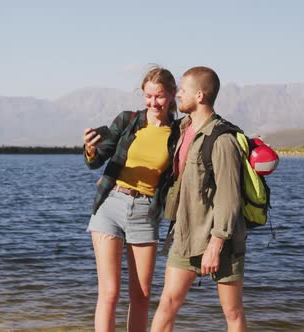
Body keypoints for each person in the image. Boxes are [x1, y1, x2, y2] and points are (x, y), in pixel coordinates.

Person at [82, 66, 180, 332]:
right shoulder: (128, 120)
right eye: (148, 96)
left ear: (172, 95)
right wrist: (91, 150)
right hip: (110, 205)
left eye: (159, 96)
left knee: (141, 294)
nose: (153, 102)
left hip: (145, 211)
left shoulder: (179, 133)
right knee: (109, 293)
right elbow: (97, 160)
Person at [151, 66, 247, 331]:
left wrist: (215, 246)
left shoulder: (222, 139)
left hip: (221, 241)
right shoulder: (183, 130)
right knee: (167, 304)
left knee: (232, 312)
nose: (178, 94)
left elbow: (229, 198)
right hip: (185, 235)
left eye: (183, 90)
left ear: (201, 95)